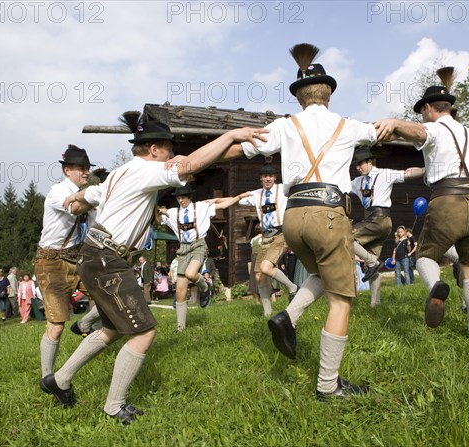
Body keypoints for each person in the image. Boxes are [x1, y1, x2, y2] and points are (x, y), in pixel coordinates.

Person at [41, 113, 265, 424]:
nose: (173, 156)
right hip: (107, 259)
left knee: (111, 330)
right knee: (144, 332)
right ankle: (113, 406)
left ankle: (59, 380)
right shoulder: (147, 171)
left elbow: (89, 195)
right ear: (155, 150)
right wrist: (231, 136)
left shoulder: (121, 173)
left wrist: (78, 196)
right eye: (169, 150)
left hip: (98, 256)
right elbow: (188, 165)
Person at [218, 43, 378, 398]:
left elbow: (241, 148)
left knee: (320, 275)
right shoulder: (348, 125)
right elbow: (381, 131)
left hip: (292, 217)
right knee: (342, 299)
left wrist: (197, 158)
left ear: (299, 98)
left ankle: (287, 316)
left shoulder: (283, 126)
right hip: (328, 213)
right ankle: (327, 386)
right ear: (329, 93)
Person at [375, 66, 469, 336]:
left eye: (421, 111)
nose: (421, 116)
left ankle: (435, 288)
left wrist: (394, 123)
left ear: (428, 107)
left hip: (448, 198)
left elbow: (418, 132)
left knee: (425, 257)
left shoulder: (434, 129)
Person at [34, 145, 97, 380]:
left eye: (88, 168)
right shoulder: (58, 192)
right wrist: (99, 193)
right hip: (51, 262)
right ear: (67, 170)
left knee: (107, 295)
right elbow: (76, 207)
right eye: (81, 168)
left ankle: (83, 325)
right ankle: (47, 378)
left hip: (76, 258)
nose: (86, 172)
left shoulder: (84, 191)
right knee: (57, 324)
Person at [350, 147, 425, 305]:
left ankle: (372, 261)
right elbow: (339, 186)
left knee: (344, 237)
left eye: (361, 163)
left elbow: (407, 174)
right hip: (369, 220)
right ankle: (375, 303)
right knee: (371, 267)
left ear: (371, 161)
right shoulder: (357, 182)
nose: (358, 167)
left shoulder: (384, 174)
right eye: (355, 165)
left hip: (380, 220)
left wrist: (429, 169)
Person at [160, 185, 242, 329]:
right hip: (183, 247)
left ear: (189, 197)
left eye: (183, 197)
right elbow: (160, 214)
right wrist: (159, 210)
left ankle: (205, 288)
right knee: (180, 291)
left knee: (191, 274)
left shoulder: (201, 207)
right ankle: (180, 328)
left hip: (198, 245)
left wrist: (239, 197)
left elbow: (223, 204)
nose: (181, 200)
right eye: (178, 197)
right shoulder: (173, 212)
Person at [237, 164, 298, 316]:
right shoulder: (257, 194)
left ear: (275, 178)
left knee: (266, 268)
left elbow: (297, 186)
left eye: (270, 176)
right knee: (259, 275)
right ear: (261, 179)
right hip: (266, 236)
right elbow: (240, 201)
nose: (268, 179)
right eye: (265, 176)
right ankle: (267, 313)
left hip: (281, 233)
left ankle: (292, 288)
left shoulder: (283, 189)